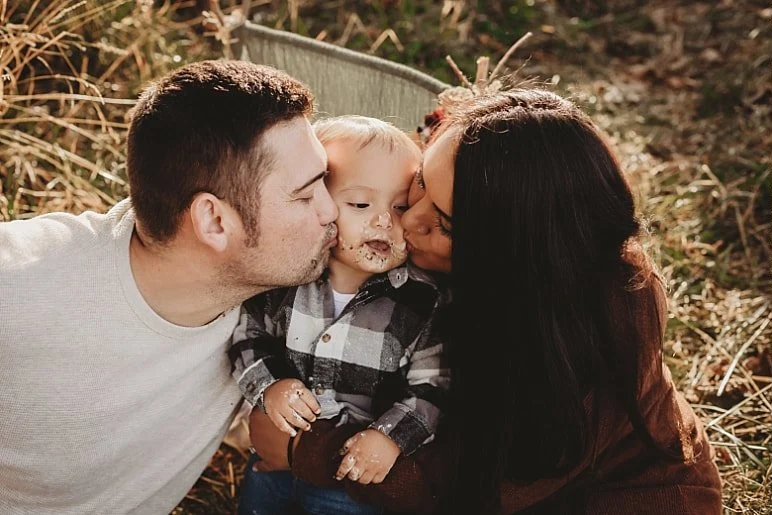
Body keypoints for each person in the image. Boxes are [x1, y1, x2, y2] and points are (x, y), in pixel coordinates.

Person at [248, 89, 723, 513]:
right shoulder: (471, 259)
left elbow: (469, 487)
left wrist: (305, 450)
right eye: (420, 186)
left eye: (445, 222)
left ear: (510, 252)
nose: (407, 222)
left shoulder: (578, 346)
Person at [0, 60, 337, 513]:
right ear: (214, 221)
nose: (331, 211)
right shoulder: (25, 285)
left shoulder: (270, 306)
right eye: (305, 194)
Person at [230, 116, 448, 514]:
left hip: (351, 479)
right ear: (321, 207)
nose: (383, 220)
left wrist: (391, 437)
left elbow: (433, 386)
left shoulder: (420, 300)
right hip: (274, 457)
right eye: (360, 204)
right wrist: (271, 384)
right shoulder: (289, 278)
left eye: (400, 207)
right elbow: (249, 334)